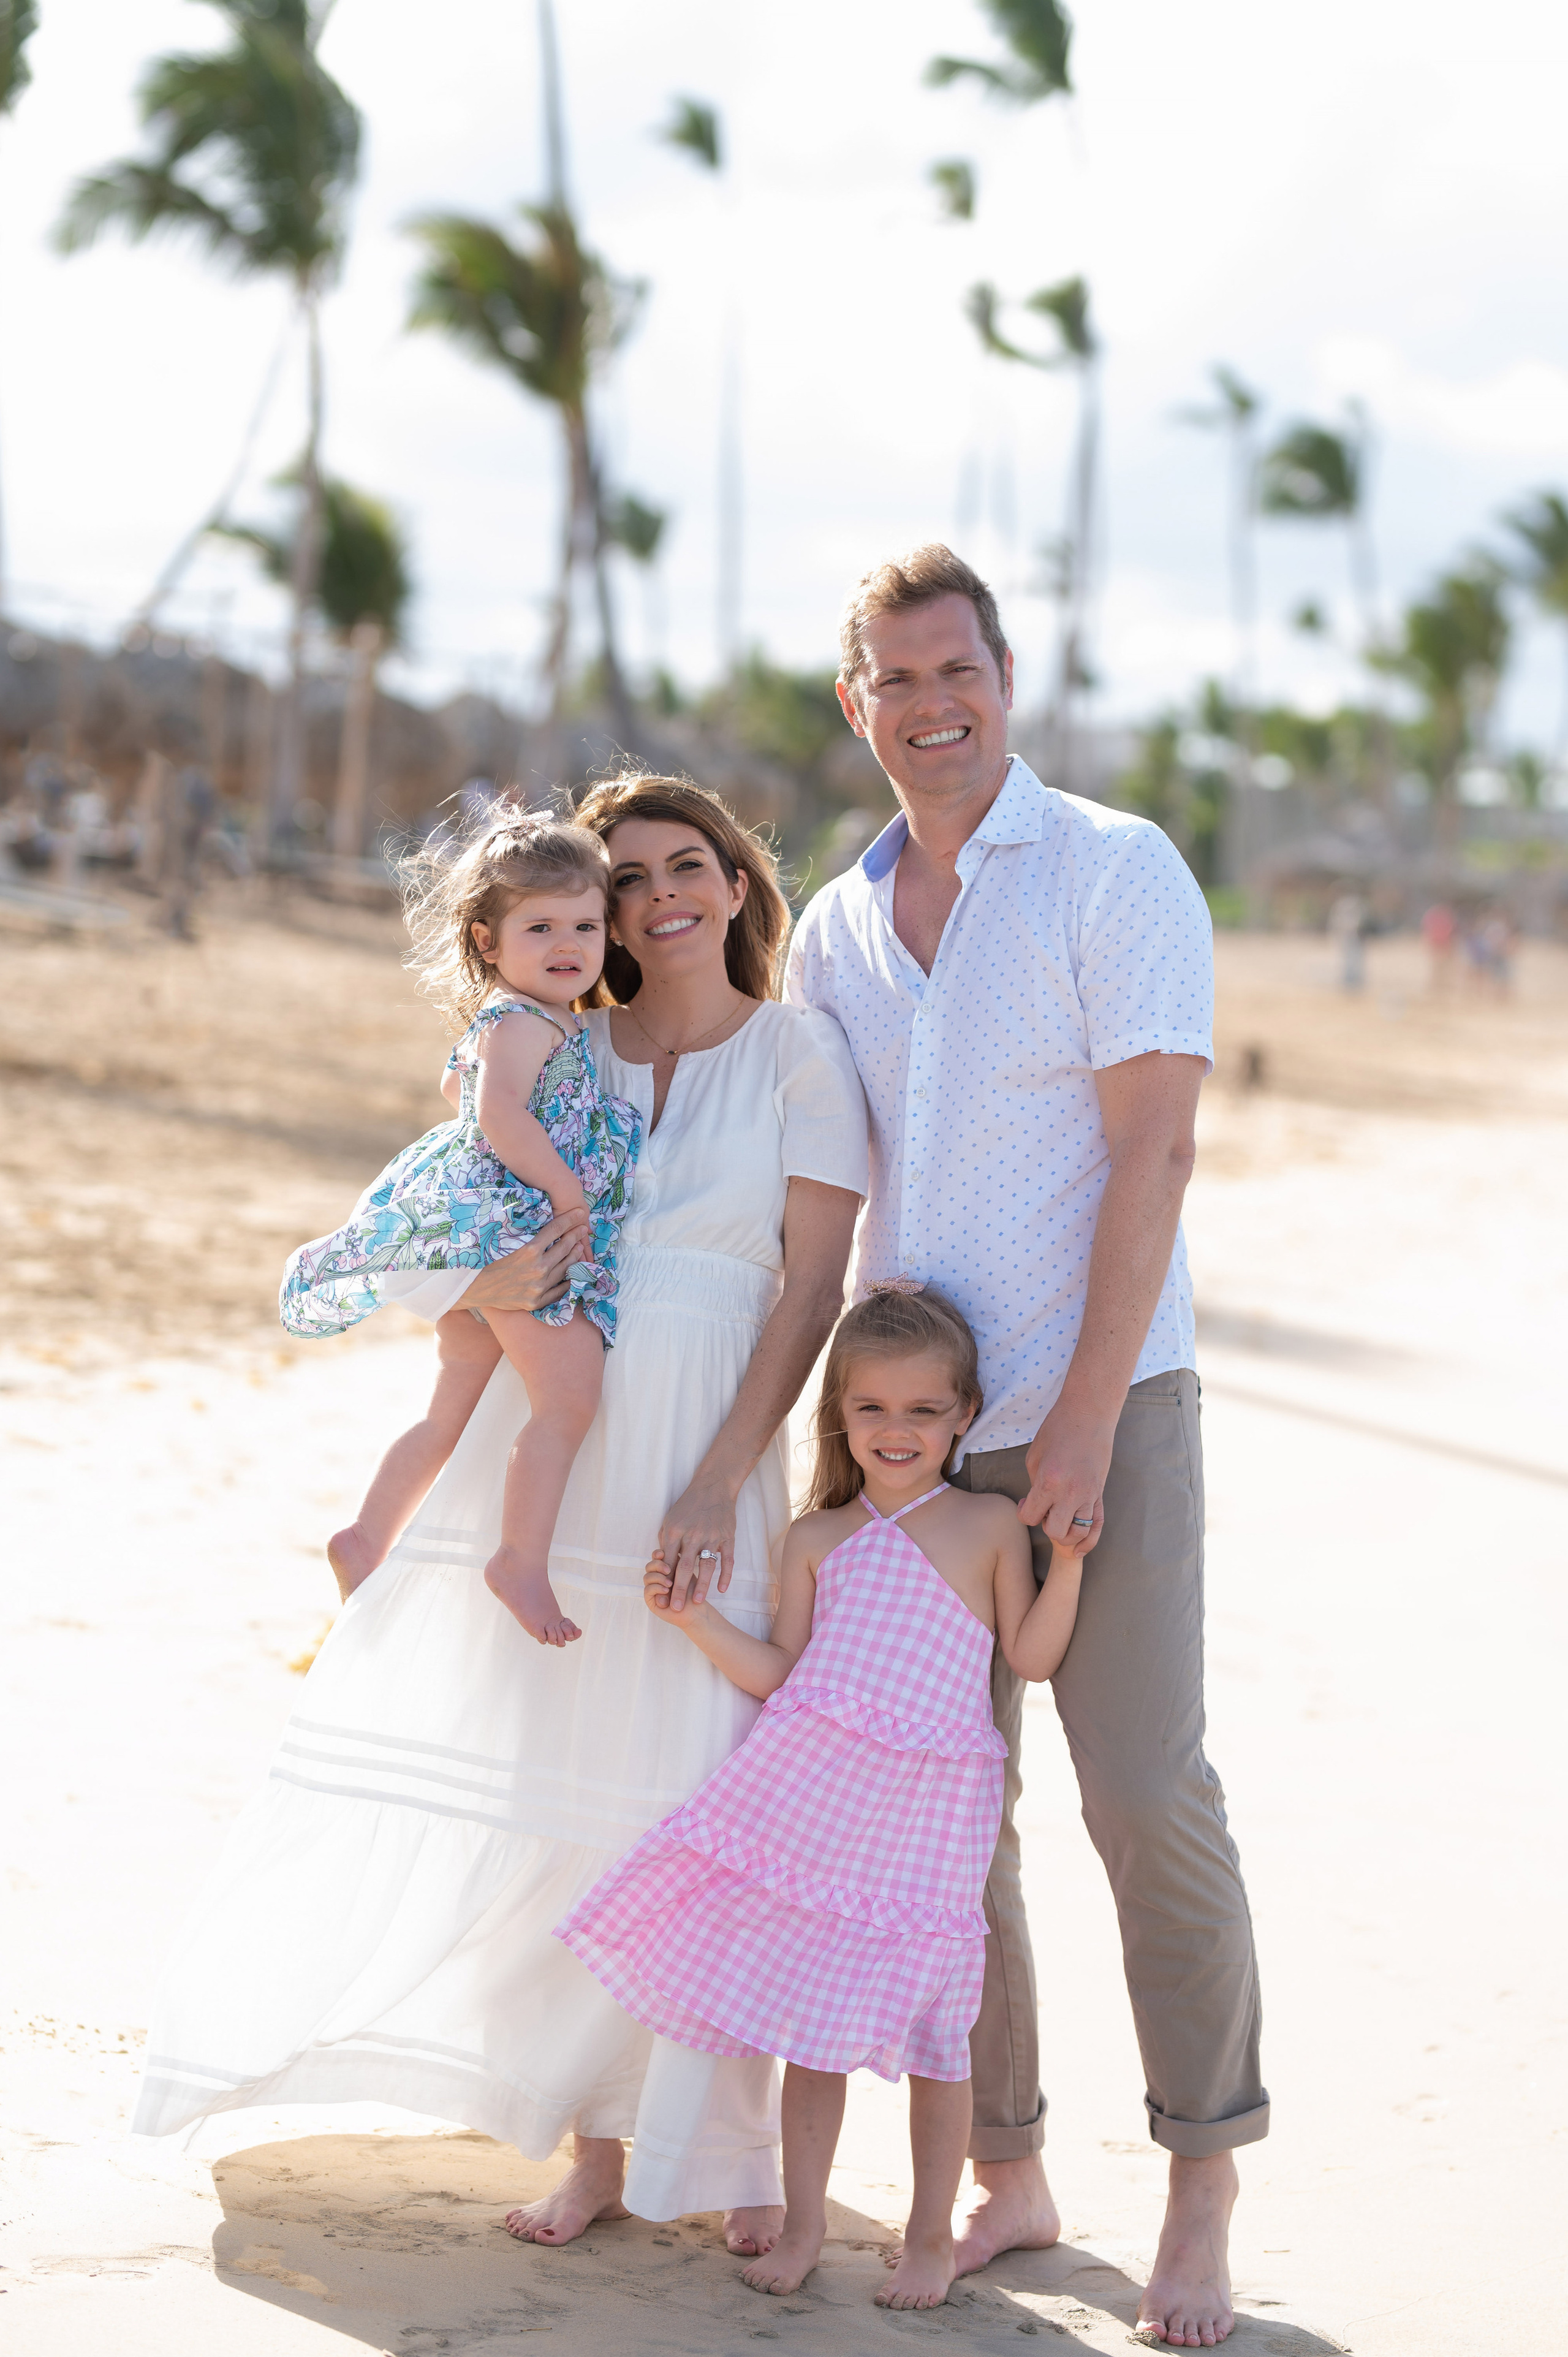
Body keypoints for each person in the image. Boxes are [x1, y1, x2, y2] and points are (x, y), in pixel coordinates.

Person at [131, 775, 869, 2261]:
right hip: (555, 1440)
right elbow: (451, 1214)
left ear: (736, 884)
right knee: (555, 1792)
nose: (656, 897)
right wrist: (483, 1288)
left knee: (691, 1790)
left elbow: (809, 1292)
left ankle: (710, 2143)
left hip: (703, 1442)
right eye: (625, 878)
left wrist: (720, 1476)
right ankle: (587, 2139)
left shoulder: (800, 1051)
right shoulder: (554, 1042)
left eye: (685, 866)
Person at [787, 546, 1267, 2349]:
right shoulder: (834, 928)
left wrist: (1075, 1416)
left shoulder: (1113, 866)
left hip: (1107, 1409)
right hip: (911, 1447)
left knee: (1141, 1787)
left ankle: (1202, 2174)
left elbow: (1156, 1150)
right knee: (943, 1813)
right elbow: (822, 1209)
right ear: (857, 705)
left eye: (957, 669)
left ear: (1007, 676)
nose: (933, 705)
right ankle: (1009, 2166)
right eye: (896, 679)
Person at [558, 1285, 1089, 2313]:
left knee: (938, 2036)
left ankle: (928, 2236)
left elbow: (1029, 1654)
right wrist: (695, 1622)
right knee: (812, 2028)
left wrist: (1065, 1563)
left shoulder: (987, 1524)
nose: (898, 1429)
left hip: (931, 1809)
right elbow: (783, 1673)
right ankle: (804, 2226)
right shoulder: (816, 1536)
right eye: (872, 1407)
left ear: (965, 1414)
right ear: (840, 1413)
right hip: (818, 1803)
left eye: (924, 1409)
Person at [279, 814, 640, 1644]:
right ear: (487, 939)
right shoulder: (525, 1022)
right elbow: (495, 1112)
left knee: (453, 1411)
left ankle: (366, 1534)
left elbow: (457, 1088)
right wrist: (566, 1191)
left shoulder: (516, 1019)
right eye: (540, 927)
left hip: (489, 1232)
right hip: (520, 1230)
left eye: (585, 926)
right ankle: (519, 1560)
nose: (568, 944)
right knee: (568, 1400)